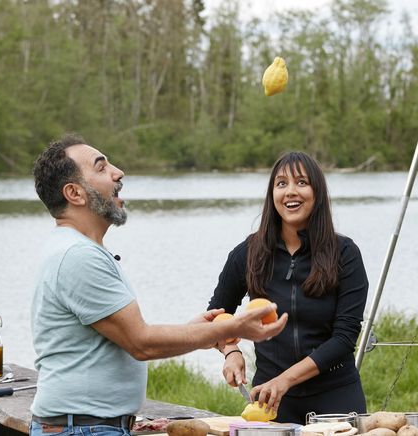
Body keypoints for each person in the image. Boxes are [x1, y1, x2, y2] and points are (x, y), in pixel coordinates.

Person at [30, 134, 288, 436]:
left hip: (89, 426)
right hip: (83, 428)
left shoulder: (81, 250)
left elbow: (126, 338)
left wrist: (200, 333)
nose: (118, 172)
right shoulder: (78, 256)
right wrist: (232, 329)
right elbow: (142, 342)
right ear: (74, 193)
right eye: (101, 168)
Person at [207, 151, 369, 424]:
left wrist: (285, 380)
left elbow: (344, 338)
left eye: (301, 182)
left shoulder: (345, 253)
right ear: (272, 195)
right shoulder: (247, 253)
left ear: (317, 192)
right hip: (269, 400)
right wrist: (231, 351)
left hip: (336, 395)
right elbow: (215, 315)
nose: (290, 192)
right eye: (281, 184)